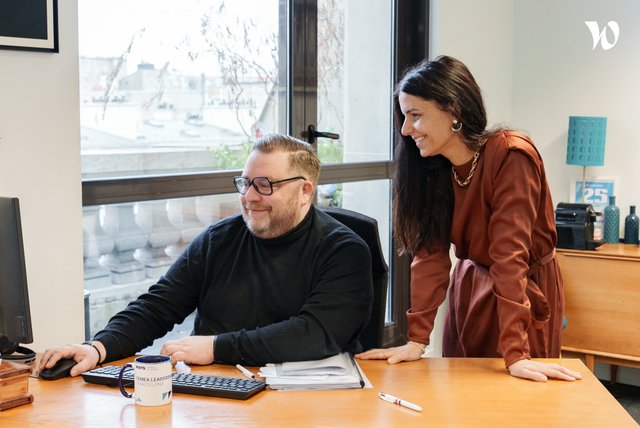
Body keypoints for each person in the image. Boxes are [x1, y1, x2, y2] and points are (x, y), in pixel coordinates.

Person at [41, 134, 373, 377]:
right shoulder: (220, 240)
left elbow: (314, 334)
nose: (249, 197)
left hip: (307, 399)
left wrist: (216, 347)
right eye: (244, 183)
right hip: (218, 388)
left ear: (305, 191)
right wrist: (97, 347)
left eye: (265, 185)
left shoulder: (344, 251)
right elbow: (158, 306)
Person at [357, 55, 581, 382]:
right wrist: (417, 340)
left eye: (415, 116)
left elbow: (509, 257)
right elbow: (429, 257)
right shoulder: (434, 169)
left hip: (521, 290)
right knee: (465, 394)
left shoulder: (510, 154)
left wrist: (516, 353)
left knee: (521, 401)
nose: (406, 129)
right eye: (404, 117)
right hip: (470, 288)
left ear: (453, 112)